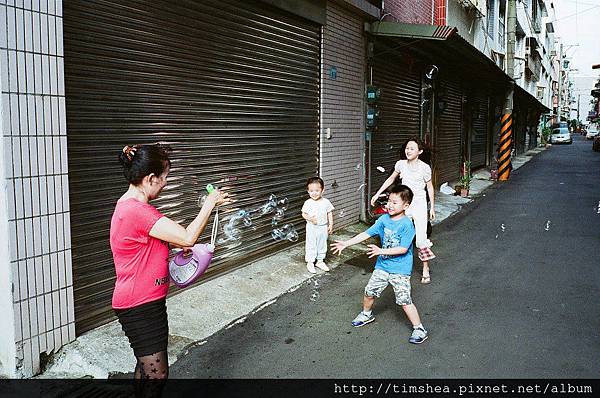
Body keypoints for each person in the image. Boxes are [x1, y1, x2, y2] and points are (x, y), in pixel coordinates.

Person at [110, 143, 230, 390]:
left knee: (145, 369)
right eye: (164, 178)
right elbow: (187, 237)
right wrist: (210, 203)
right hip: (139, 304)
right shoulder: (136, 210)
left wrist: (172, 249)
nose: (165, 183)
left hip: (145, 300)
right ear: (151, 178)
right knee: (157, 375)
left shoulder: (131, 206)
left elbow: (143, 248)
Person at [331, 184, 428, 344]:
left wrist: (380, 251)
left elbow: (403, 249)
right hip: (383, 266)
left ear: (406, 205)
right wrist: (346, 243)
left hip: (400, 270)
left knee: (404, 300)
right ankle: (366, 314)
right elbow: (366, 233)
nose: (390, 205)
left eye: (395, 202)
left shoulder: (407, 225)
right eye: (389, 201)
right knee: (370, 291)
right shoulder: (383, 219)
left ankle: (419, 329)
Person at [370, 136, 436, 284]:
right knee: (399, 233)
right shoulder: (401, 164)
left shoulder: (425, 168)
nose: (408, 151)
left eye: (412, 148)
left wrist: (432, 207)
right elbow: (391, 179)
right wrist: (377, 193)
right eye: (407, 148)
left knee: (420, 238)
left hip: (418, 203)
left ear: (420, 151)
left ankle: (425, 268)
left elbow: (430, 187)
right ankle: (394, 266)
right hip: (404, 202)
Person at [301, 177, 334, 273]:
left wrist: (331, 224)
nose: (314, 193)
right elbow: (303, 214)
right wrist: (309, 218)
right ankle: (310, 262)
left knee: (322, 244)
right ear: (308, 191)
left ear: (322, 190)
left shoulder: (326, 202)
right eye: (311, 191)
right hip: (311, 227)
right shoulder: (308, 203)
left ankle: (320, 261)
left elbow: (329, 213)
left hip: (323, 227)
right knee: (311, 244)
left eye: (317, 190)